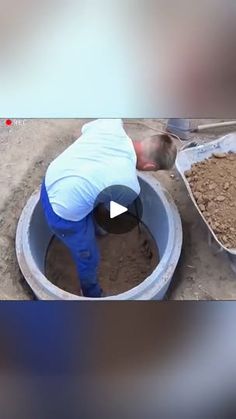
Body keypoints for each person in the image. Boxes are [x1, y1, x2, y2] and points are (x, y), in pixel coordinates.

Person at [40, 119, 177, 298]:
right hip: (63, 212)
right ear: (150, 166)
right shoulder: (129, 185)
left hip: (50, 178)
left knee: (96, 197)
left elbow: (85, 131)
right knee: (89, 257)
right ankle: (90, 292)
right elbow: (109, 211)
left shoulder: (111, 124)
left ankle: (94, 227)